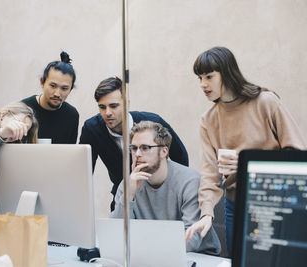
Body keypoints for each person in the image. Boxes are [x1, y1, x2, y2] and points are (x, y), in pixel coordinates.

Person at [185, 46, 307, 255]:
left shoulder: (266, 102)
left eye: (209, 76)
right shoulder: (208, 120)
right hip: (235, 204)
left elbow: (296, 153)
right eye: (199, 78)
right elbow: (209, 174)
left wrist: (247, 164)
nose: (203, 84)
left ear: (227, 73)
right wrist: (206, 214)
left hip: (274, 201)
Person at [111, 121, 221, 255]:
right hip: (150, 257)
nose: (137, 154)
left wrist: (145, 249)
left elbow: (191, 240)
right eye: (134, 148)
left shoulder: (190, 181)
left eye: (145, 147)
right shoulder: (128, 184)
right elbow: (116, 235)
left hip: (198, 256)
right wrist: (129, 196)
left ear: (164, 151)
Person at [79, 77, 189, 211]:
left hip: (158, 195)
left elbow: (181, 158)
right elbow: (83, 172)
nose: (107, 112)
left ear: (127, 104)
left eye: (113, 106)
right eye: (102, 107)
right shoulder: (92, 129)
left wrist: (173, 192)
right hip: (123, 193)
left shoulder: (153, 122)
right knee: (116, 228)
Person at [22, 51, 79, 144]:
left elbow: (69, 152)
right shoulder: (23, 108)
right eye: (53, 86)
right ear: (42, 82)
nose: (57, 93)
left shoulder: (72, 115)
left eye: (64, 88)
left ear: (71, 89)